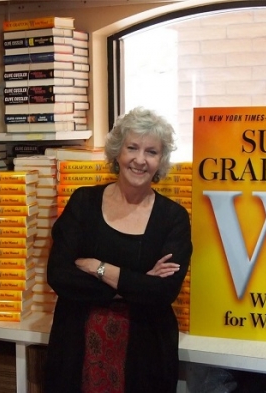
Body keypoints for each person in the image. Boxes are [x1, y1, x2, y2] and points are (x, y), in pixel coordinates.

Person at [44, 107, 193, 393]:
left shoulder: (172, 218)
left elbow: (162, 292)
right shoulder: (83, 203)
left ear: (160, 160)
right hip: (76, 349)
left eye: (151, 152)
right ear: (117, 153)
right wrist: (137, 283)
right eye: (132, 148)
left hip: (145, 356)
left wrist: (98, 267)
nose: (140, 160)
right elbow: (59, 274)